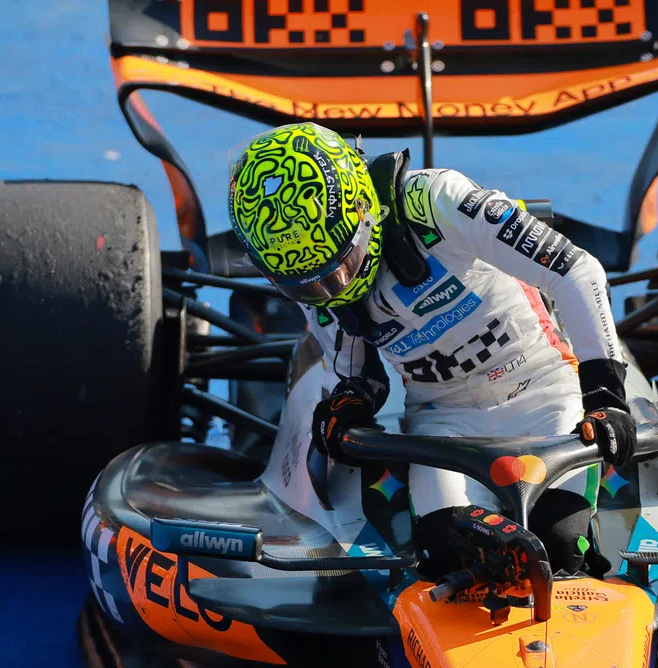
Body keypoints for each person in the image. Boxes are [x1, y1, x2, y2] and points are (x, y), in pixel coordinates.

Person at [228, 122, 635, 577]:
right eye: (310, 284)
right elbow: (355, 374)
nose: (330, 290)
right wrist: (349, 402)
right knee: (449, 555)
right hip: (441, 423)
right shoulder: (311, 281)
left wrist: (605, 395)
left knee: (561, 547)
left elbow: (577, 271)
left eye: (339, 267)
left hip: (545, 392)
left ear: (363, 210)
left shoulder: (436, 202)